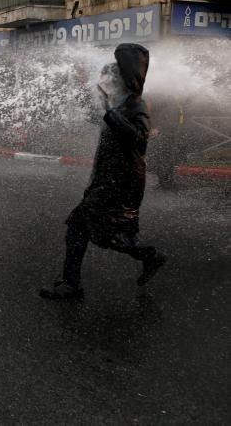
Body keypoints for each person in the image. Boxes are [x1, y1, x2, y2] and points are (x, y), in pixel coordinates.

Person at [40, 43, 168, 299]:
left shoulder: (137, 106)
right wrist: (85, 89)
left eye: (114, 76)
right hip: (107, 179)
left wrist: (108, 110)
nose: (109, 80)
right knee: (104, 233)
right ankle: (150, 256)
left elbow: (137, 138)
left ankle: (71, 285)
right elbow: (94, 115)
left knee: (80, 226)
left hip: (121, 182)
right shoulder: (120, 103)